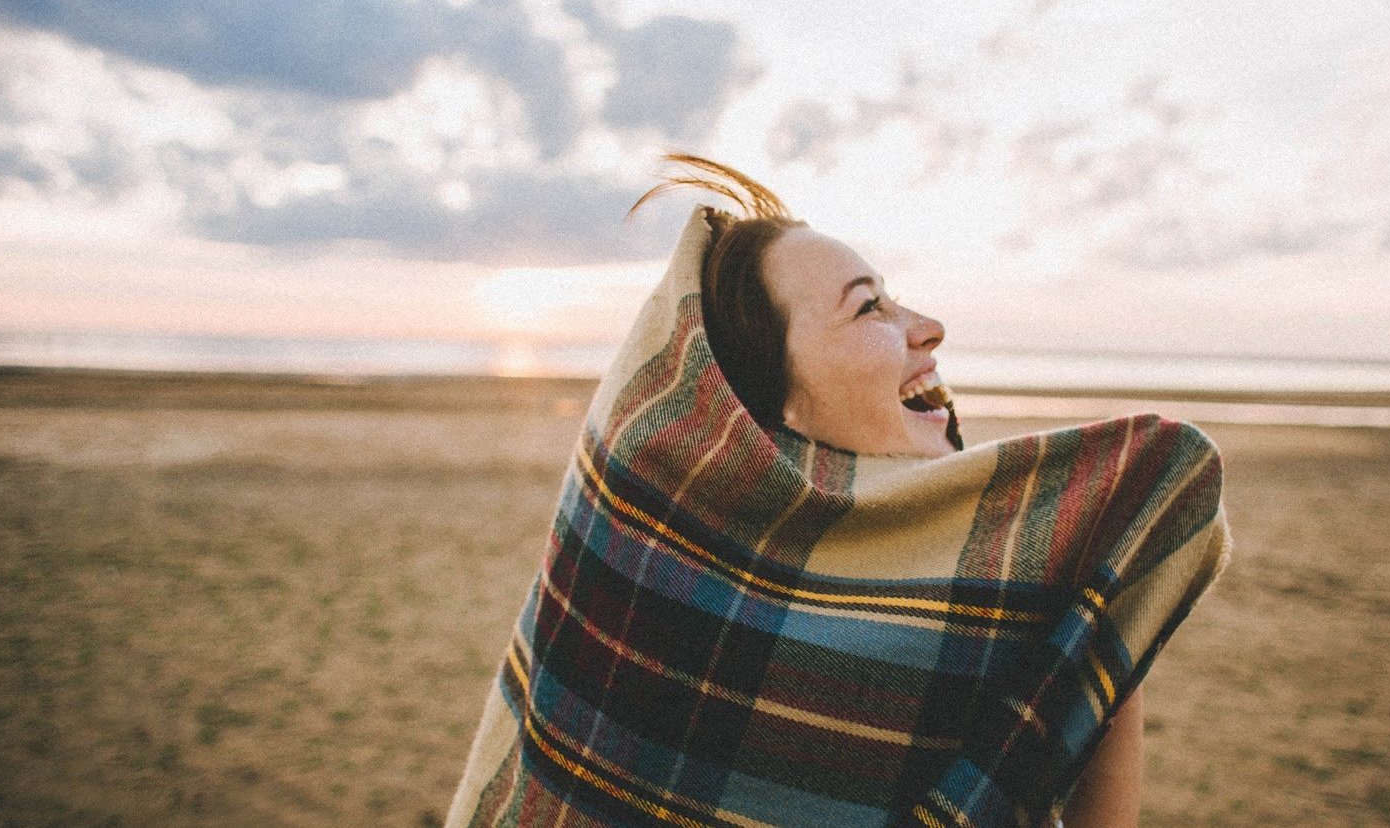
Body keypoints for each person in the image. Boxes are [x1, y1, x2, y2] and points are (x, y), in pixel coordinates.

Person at [446, 155, 1229, 828]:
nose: (929, 327)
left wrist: (1101, 603)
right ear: (770, 408)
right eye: (870, 308)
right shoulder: (658, 614)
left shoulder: (983, 606)